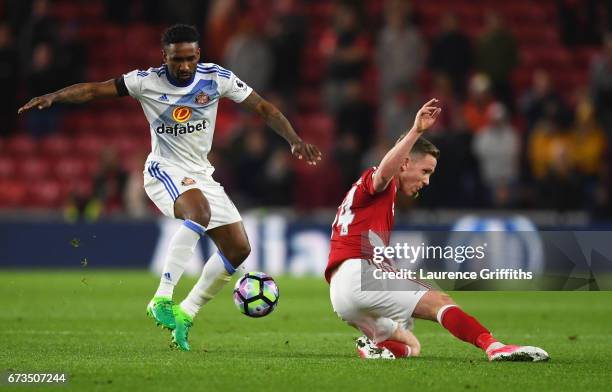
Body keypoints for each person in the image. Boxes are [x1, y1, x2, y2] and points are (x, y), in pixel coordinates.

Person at [18, 24, 322, 351]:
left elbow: (263, 107)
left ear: (198, 54)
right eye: (177, 59)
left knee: (238, 248)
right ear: (165, 56)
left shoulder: (216, 78)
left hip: (201, 173)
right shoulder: (146, 81)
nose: (184, 66)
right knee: (199, 212)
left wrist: (294, 140)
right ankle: (161, 298)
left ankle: (185, 314)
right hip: (163, 169)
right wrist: (55, 96)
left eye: (190, 58)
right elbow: (95, 90)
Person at [326, 98, 549, 361]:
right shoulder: (379, 181)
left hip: (340, 295)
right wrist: (416, 131)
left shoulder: (373, 202)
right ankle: (493, 346)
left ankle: (371, 345)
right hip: (359, 275)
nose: (427, 181)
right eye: (425, 171)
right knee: (440, 301)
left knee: (411, 346)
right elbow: (385, 172)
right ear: (405, 163)